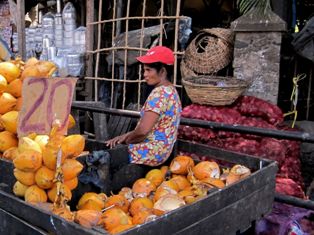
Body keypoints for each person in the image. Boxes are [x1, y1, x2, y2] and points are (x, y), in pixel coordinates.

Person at [104, 46, 182, 191]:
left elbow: (142, 132)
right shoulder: (172, 91)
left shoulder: (158, 94)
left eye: (148, 70)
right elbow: (152, 127)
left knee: (105, 158)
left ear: (163, 71)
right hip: (163, 150)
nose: (144, 74)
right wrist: (124, 136)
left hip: (152, 151)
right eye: (144, 70)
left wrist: (126, 142)